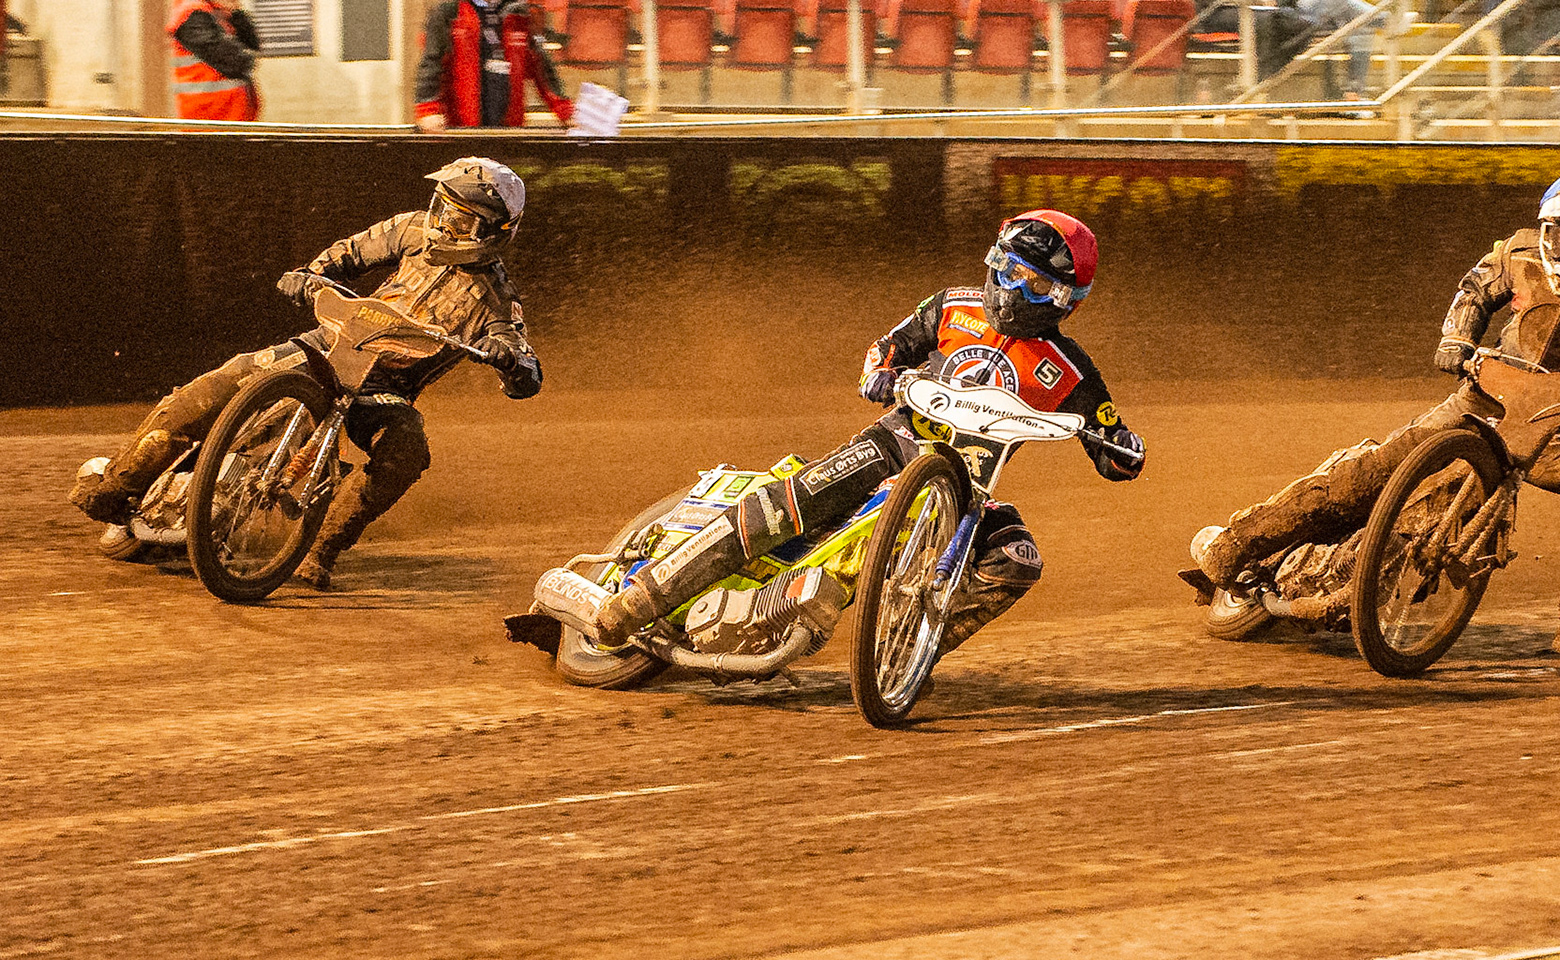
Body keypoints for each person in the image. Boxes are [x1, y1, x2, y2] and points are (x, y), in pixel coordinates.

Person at [1193, 167, 1560, 666]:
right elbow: (1473, 292)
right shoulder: (1517, 254)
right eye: (1559, 236)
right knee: (1364, 478)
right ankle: (1233, 547)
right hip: (1476, 401)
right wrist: (1456, 338)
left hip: (1549, 428)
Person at [591, 210, 1147, 657]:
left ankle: (912, 646)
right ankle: (645, 598)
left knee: (1017, 560)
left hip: (971, 487)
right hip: (895, 442)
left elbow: (1112, 444)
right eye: (1006, 270)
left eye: (1032, 283)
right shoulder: (952, 305)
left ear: (1064, 298)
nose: (1010, 289)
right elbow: (888, 347)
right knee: (793, 502)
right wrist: (879, 375)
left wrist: (1123, 451)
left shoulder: (1072, 372)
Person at [70, 158, 544, 590]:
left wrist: (507, 358)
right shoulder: (411, 231)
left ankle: (321, 549)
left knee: (407, 450)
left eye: (459, 219)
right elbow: (353, 252)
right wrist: (311, 272)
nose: (442, 223)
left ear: (495, 231)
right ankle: (116, 485)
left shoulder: (496, 299)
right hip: (329, 347)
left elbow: (528, 373)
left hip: (384, 393)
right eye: (441, 208)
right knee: (219, 385)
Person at [415, 0, 573, 132]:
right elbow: (432, 64)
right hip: (461, 130)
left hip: (508, 132)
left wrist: (565, 111)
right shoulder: (449, 12)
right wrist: (427, 110)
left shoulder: (522, 14)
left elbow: (542, 68)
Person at [168, 0, 261, 121]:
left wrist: (235, 13)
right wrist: (245, 56)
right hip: (208, 115)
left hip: (231, 112)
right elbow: (235, 61)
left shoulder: (217, 10)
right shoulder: (191, 13)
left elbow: (253, 44)